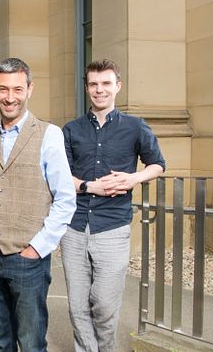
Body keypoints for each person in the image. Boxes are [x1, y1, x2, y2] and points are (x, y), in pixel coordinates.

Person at [0, 57, 77, 352]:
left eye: (17, 89)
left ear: (29, 90)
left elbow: (65, 200)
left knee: (31, 343)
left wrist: (37, 248)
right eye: (3, 89)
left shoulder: (49, 135)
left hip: (27, 258)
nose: (9, 97)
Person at [61, 59, 165, 352]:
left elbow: (158, 164)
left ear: (117, 86)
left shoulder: (135, 127)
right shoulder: (71, 129)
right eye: (93, 84)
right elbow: (59, 175)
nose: (99, 90)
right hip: (75, 227)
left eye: (106, 83)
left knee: (104, 304)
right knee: (78, 306)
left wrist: (134, 178)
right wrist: (87, 186)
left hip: (113, 227)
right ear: (87, 88)